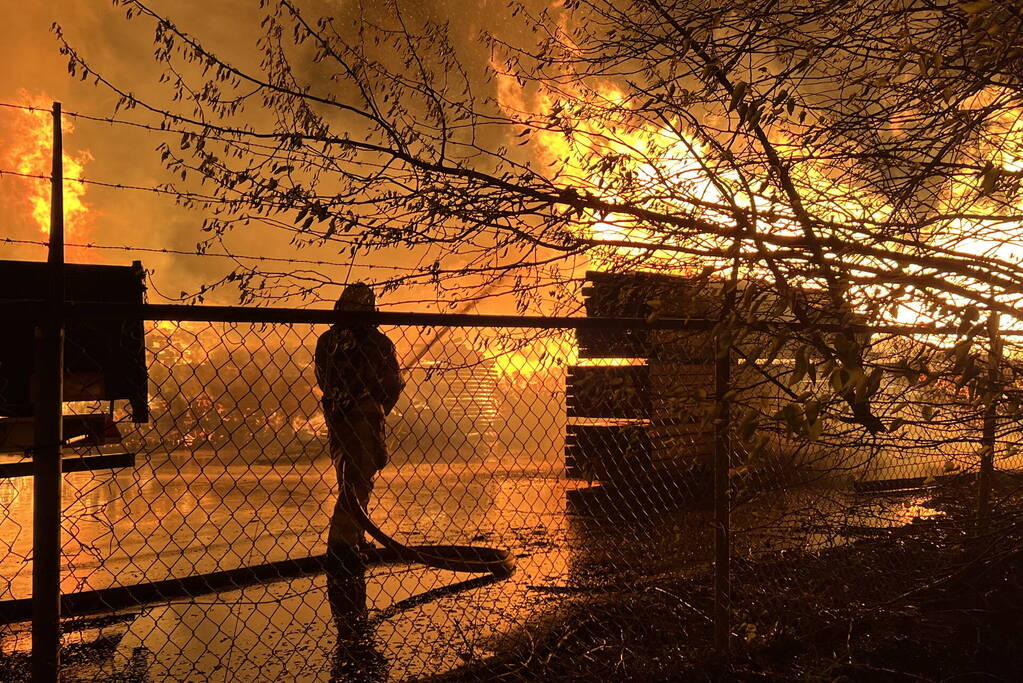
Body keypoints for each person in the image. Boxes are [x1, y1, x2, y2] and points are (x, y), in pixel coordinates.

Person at [315, 283, 404, 574]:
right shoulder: (379, 343)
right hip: (365, 416)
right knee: (360, 478)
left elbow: (323, 380)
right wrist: (377, 404)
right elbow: (392, 384)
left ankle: (356, 536)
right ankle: (343, 547)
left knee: (347, 476)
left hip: (337, 416)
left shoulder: (326, 341)